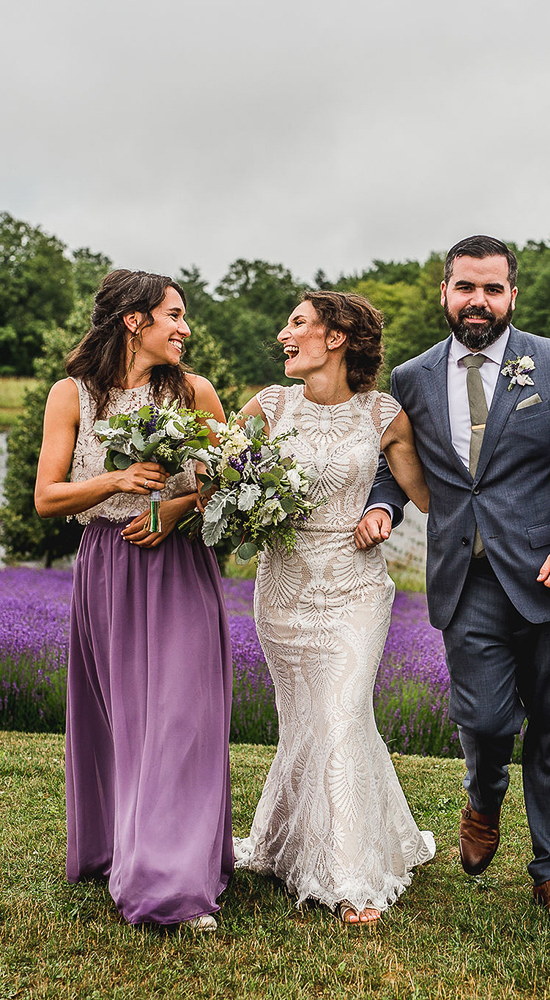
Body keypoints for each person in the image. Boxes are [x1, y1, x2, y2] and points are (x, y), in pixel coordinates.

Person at [358, 236, 550, 917]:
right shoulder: (411, 377)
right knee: (483, 716)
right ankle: (483, 797)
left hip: (549, 574)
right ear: (445, 293)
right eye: (466, 287)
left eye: (492, 289)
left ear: (512, 296)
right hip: (465, 574)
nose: (479, 300)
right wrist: (384, 505)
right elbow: (395, 460)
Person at [34, 269, 232, 931]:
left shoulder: (196, 392)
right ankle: (119, 846)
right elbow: (46, 497)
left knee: (181, 716)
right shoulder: (72, 396)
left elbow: (226, 484)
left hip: (178, 565)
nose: (184, 327)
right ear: (134, 320)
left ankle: (171, 882)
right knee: (120, 715)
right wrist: (119, 477)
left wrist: (176, 507)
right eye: (173, 315)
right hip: (108, 565)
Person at [234, 290, 436, 926]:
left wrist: (385, 508)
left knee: (343, 712)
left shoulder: (383, 413)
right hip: (284, 582)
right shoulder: (266, 408)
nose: (283, 334)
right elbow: (211, 478)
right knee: (307, 722)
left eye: (297, 323)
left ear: (338, 337)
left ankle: (349, 877)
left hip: (354, 585)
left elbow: (429, 497)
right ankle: (290, 840)